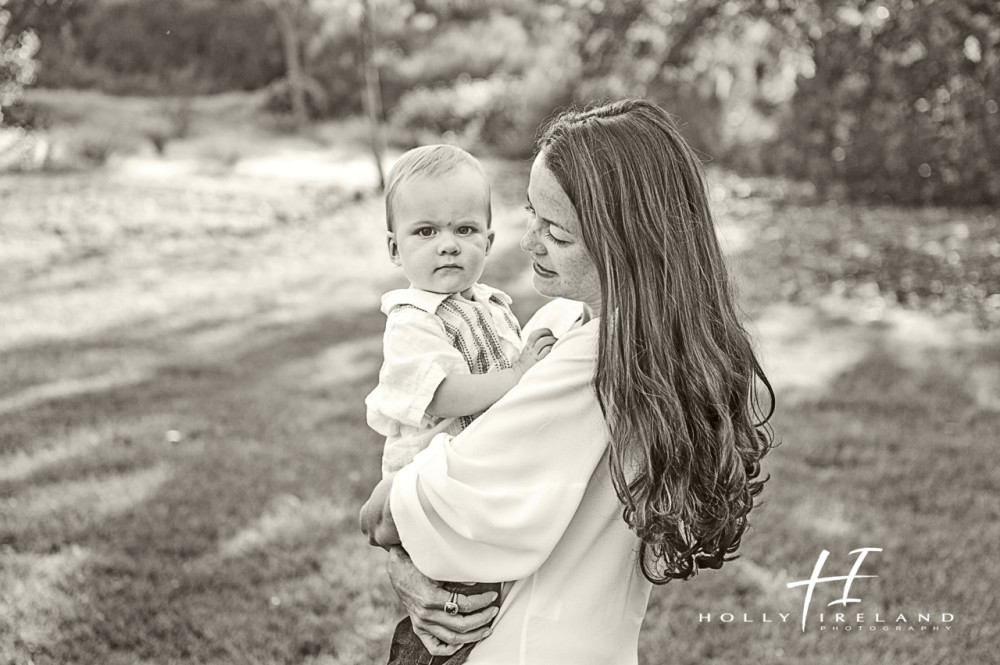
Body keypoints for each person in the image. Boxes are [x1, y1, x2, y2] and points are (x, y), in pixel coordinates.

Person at [361, 99, 775, 664]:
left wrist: (400, 519)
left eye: (556, 230)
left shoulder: (591, 366)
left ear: (626, 243)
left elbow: (393, 515)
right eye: (530, 211)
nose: (528, 240)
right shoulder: (568, 326)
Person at [365, 144, 557, 664]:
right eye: (426, 232)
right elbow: (443, 393)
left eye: (465, 231)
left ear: (490, 241)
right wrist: (518, 376)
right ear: (394, 248)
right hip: (431, 494)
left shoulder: (492, 307)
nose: (447, 245)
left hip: (474, 490)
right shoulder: (412, 319)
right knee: (449, 622)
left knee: (485, 614)